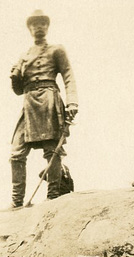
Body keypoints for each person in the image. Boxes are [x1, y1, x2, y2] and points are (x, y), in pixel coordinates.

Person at [8, 9, 78, 209]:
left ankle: (53, 195)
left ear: (47, 27)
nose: (39, 27)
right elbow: (18, 90)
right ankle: (16, 202)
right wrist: (14, 78)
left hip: (49, 99)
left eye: (42, 24)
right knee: (16, 152)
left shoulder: (57, 50)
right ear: (29, 28)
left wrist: (72, 102)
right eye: (34, 24)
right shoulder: (24, 55)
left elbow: (68, 76)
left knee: (51, 150)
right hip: (29, 103)